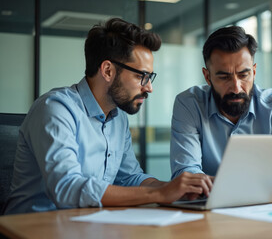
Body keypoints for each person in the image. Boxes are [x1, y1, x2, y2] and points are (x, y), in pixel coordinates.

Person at [3, 18, 212, 215]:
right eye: (142, 76)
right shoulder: (55, 109)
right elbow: (67, 189)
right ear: (108, 70)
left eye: (150, 77)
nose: (149, 88)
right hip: (31, 228)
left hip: (87, 226)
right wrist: (159, 194)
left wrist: (176, 188)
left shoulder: (118, 118)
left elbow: (129, 177)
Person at [170, 26, 272, 196]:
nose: (236, 87)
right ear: (207, 77)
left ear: (254, 72)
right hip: (209, 213)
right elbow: (185, 175)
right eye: (224, 77)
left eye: (244, 75)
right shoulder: (189, 105)